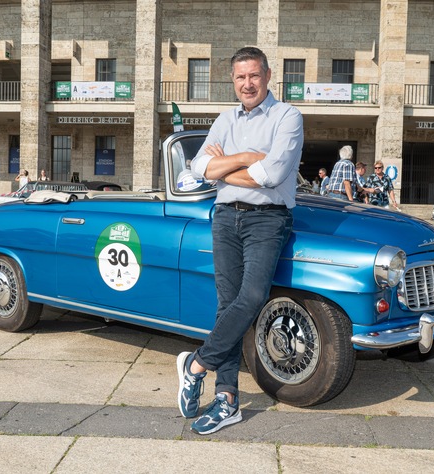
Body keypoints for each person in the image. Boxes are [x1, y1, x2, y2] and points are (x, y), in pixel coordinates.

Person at [179, 46, 303, 435]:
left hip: (267, 220)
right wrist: (247, 156)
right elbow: (198, 167)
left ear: (268, 76)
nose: (247, 83)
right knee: (226, 305)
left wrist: (224, 166)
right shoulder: (224, 119)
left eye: (253, 75)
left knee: (251, 298)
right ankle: (227, 398)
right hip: (225, 219)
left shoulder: (288, 117)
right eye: (240, 77)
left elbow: (271, 175)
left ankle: (196, 364)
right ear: (233, 81)